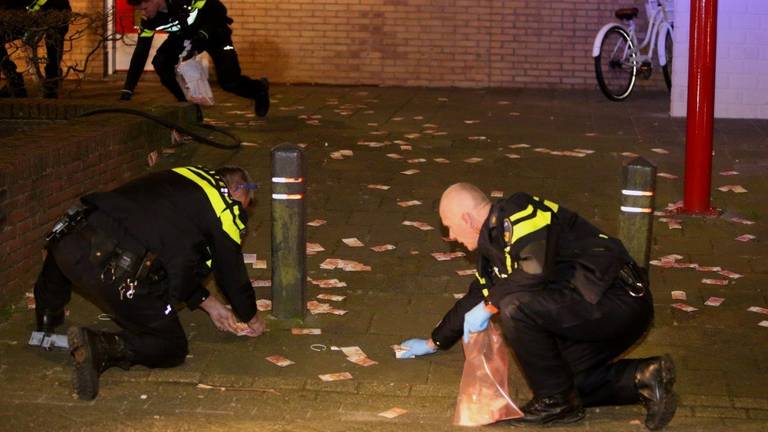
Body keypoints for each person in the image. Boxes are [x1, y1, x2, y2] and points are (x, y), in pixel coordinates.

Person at [398, 183, 676, 431]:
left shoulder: (520, 212)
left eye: (449, 228)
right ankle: (644, 377)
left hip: (618, 299)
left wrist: (489, 306)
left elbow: (534, 268)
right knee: (559, 377)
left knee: (514, 305)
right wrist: (434, 342)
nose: (453, 237)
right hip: (591, 310)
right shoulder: (491, 250)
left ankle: (554, 404)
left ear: (466, 219)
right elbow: (476, 296)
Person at [33, 165, 265, 401]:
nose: (240, 212)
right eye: (243, 204)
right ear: (236, 190)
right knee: (172, 346)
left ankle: (47, 316)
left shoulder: (182, 175)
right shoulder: (225, 210)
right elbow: (230, 272)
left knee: (77, 236)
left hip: (67, 243)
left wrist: (208, 302)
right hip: (114, 273)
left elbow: (176, 251)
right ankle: (102, 346)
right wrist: (250, 315)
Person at [119, 0, 270, 117]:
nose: (144, 14)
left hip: (214, 33)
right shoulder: (148, 22)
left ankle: (259, 90)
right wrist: (128, 88)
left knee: (229, 82)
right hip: (185, 37)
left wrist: (204, 33)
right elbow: (140, 53)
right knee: (161, 62)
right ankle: (187, 105)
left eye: (145, 8)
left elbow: (219, 10)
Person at [0, 0, 71, 98]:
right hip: (24, 18)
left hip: (49, 15)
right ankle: (14, 81)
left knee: (54, 40)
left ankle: (51, 81)